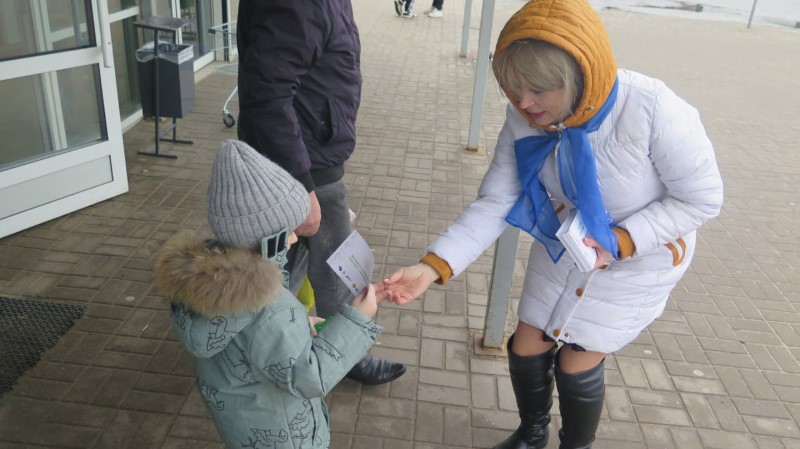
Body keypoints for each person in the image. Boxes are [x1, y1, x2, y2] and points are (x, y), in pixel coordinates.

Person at [377, 0, 724, 448]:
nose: (525, 103)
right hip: (568, 243)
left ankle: (575, 445)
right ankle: (532, 433)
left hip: (642, 253)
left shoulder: (652, 107)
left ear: (579, 76)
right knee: (527, 345)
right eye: (514, 88)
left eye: (539, 89)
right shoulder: (525, 117)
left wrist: (622, 240)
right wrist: (432, 267)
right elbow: (497, 200)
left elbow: (701, 198)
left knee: (576, 361)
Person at [154, 139, 384, 448]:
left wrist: (300, 323)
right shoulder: (272, 308)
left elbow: (245, 336)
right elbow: (310, 376)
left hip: (243, 428)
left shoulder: (205, 279)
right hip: (287, 436)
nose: (294, 238)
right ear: (267, 240)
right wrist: (356, 321)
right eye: (288, 232)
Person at [236, 0, 406, 385]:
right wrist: (303, 183)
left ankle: (260, 347)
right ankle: (345, 355)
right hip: (303, 163)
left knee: (283, 263)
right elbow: (268, 93)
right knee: (333, 265)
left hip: (306, 154)